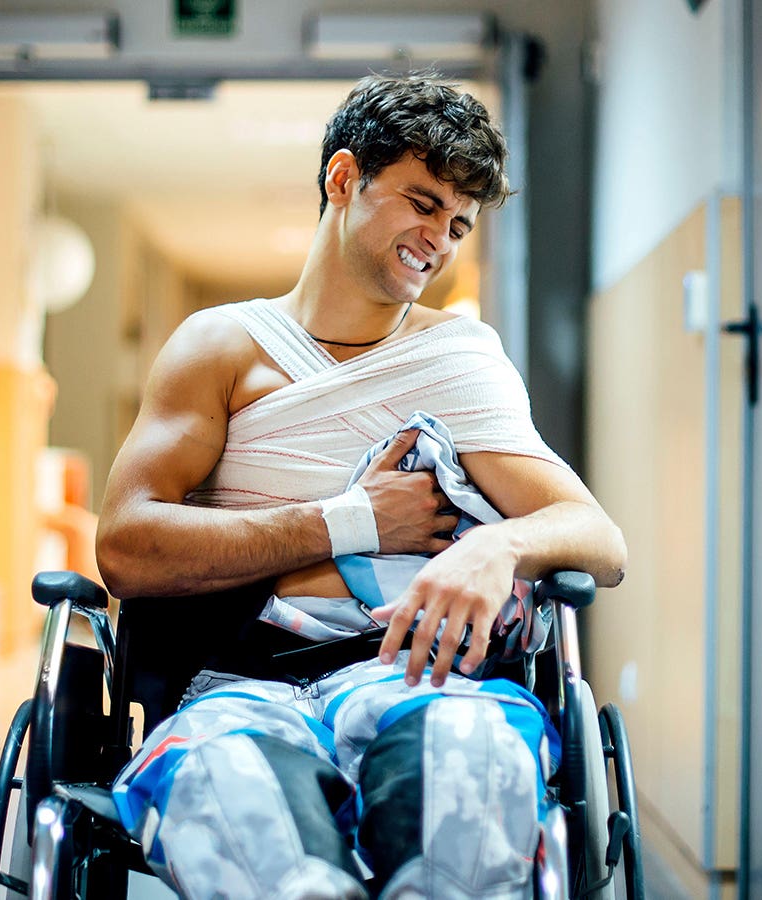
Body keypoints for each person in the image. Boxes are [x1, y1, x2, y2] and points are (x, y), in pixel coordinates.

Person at [96, 73, 627, 900]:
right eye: (421, 203)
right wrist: (353, 520)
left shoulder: (459, 358)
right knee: (253, 827)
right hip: (237, 684)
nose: (439, 240)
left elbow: (599, 538)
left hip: (423, 679)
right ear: (343, 179)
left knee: (470, 781)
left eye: (458, 223)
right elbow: (126, 549)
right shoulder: (223, 348)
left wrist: (497, 544)